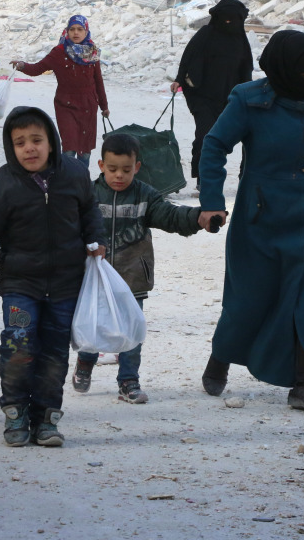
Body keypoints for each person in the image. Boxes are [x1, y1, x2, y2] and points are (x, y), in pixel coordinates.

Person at [197, 30, 304, 414]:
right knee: (249, 299)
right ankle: (222, 355)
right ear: (284, 69)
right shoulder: (248, 99)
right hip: (260, 216)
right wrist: (212, 202)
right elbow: (214, 145)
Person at [0, 107, 105, 447]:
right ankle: (15, 411)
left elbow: (90, 209)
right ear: (11, 147)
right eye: (20, 143)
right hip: (21, 286)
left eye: (37, 140)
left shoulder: (74, 174)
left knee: (54, 354)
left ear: (52, 141)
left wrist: (96, 239)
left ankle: (46, 417)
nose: (29, 148)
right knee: (18, 346)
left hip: (65, 285)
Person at [72, 132, 206, 404]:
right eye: (112, 169)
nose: (119, 175)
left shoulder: (146, 196)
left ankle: (128, 381)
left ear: (137, 167)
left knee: (131, 331)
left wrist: (197, 217)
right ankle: (85, 361)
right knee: (94, 325)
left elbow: (170, 215)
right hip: (95, 278)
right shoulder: (88, 194)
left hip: (132, 277)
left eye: (126, 169)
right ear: (101, 165)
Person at [171, 0, 253, 185]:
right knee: (206, 135)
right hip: (202, 96)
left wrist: (248, 94)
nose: (229, 24)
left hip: (230, 98)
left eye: (233, 20)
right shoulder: (206, 34)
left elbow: (246, 68)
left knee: (232, 137)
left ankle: (235, 176)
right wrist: (179, 79)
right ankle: (204, 178)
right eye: (225, 20)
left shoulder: (240, 39)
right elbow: (188, 56)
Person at [11, 15, 108, 165]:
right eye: (72, 29)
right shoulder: (59, 52)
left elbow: (98, 81)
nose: (76, 33)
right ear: (67, 31)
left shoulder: (91, 52)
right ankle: (67, 177)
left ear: (86, 31)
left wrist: (104, 106)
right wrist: (22, 66)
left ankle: (81, 178)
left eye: (80, 29)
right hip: (66, 105)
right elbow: (37, 68)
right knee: (69, 147)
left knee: (85, 151)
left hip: (88, 105)